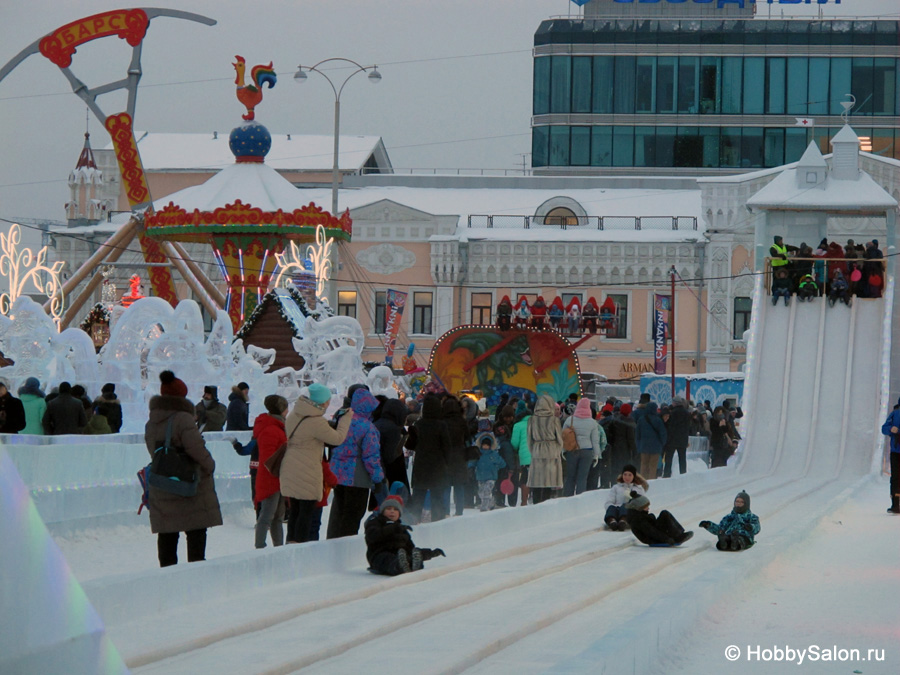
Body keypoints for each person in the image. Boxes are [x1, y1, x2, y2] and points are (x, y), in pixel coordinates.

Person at [145, 370, 222, 567]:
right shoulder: (183, 418)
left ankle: (168, 575)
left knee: (167, 533)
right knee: (195, 530)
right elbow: (196, 448)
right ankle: (195, 577)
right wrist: (210, 465)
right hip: (187, 485)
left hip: (162, 483)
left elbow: (154, 450)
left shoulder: (152, 421)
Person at [280, 384, 353, 543]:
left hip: (290, 466)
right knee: (306, 513)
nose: (328, 403)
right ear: (322, 402)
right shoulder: (316, 421)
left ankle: (290, 545)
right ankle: (301, 548)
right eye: (327, 400)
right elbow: (337, 438)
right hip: (307, 469)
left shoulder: (294, 414)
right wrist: (346, 419)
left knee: (295, 511)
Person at [326, 388, 384, 539]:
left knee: (340, 512)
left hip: (337, 475)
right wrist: (378, 478)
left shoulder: (342, 421)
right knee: (353, 515)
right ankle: (346, 548)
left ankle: (334, 543)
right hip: (357, 477)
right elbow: (371, 456)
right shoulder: (368, 427)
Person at [364, 495, 445, 576]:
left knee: (410, 556)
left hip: (399, 554)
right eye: (388, 509)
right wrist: (393, 528)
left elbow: (411, 548)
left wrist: (430, 553)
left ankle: (413, 564)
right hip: (379, 555)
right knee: (388, 560)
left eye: (395, 510)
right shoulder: (375, 522)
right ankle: (399, 566)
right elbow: (373, 536)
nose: (392, 511)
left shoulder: (401, 528)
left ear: (399, 514)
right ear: (382, 511)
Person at [251, 395, 289, 549]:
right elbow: (269, 459)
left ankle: (278, 547)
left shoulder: (277, 426)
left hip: (277, 477)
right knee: (267, 517)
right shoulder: (272, 429)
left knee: (277, 517)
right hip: (271, 478)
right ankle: (260, 547)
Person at [406, 395, 451, 523]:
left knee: (418, 496)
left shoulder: (418, 424)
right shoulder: (441, 425)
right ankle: (438, 523)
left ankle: (414, 522)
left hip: (421, 465)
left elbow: (409, 445)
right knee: (437, 497)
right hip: (437, 466)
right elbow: (447, 447)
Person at [526, 394, 564, 504]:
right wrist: (557, 450)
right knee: (549, 481)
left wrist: (533, 450)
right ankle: (545, 505)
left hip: (537, 450)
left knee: (537, 481)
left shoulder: (531, 420)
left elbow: (529, 439)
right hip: (551, 450)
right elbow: (559, 439)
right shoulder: (554, 420)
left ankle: (536, 503)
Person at [562, 397, 603, 496]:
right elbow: (595, 440)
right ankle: (580, 498)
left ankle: (568, 498)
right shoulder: (593, 422)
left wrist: (563, 450)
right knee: (582, 478)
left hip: (572, 450)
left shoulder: (569, 419)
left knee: (570, 477)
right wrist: (596, 455)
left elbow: (563, 437)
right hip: (587, 452)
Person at [625, 492, 692, 546]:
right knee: (664, 514)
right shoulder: (638, 520)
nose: (648, 508)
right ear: (639, 508)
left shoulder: (639, 515)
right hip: (652, 539)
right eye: (646, 507)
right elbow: (651, 531)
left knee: (665, 514)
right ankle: (677, 537)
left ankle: (679, 534)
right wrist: (666, 539)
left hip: (654, 536)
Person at [374, 398, 411, 495]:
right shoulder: (393, 429)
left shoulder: (375, 424)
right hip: (390, 474)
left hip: (375, 469)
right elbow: (390, 457)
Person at [441, 396, 469, 516]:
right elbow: (468, 437)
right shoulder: (461, 421)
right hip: (459, 455)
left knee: (446, 485)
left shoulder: (442, 421)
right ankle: (459, 511)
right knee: (459, 485)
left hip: (445, 456)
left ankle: (446, 511)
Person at [604, 464, 648, 530]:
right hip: (617, 509)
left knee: (626, 505)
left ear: (634, 476)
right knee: (611, 507)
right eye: (625, 474)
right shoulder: (616, 487)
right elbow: (609, 501)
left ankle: (623, 521)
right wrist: (611, 506)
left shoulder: (638, 489)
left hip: (631, 511)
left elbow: (643, 503)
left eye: (630, 475)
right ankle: (612, 521)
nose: (627, 477)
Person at [474, 432, 506, 511]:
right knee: (481, 492)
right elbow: (473, 462)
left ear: (490, 445)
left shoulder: (494, 454)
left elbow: (502, 463)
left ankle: (484, 507)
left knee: (486, 491)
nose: (485, 446)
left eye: (487, 445)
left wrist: (496, 468)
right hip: (480, 476)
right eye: (484, 445)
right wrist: (471, 468)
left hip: (491, 477)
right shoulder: (478, 454)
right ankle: (491, 502)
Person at [635, 401, 666, 480]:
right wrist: (662, 444)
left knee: (644, 465)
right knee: (653, 466)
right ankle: (651, 481)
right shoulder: (658, 420)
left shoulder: (641, 419)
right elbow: (663, 434)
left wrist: (638, 445)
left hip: (643, 446)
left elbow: (637, 434)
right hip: (655, 447)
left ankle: (642, 481)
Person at [510, 400, 532, 506]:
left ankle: (524, 501)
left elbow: (514, 443)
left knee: (525, 478)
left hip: (525, 456)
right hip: (538, 454)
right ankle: (537, 499)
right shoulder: (536, 423)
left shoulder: (518, 425)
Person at [663, 397, 691, 478]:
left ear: (675, 403)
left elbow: (670, 426)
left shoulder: (672, 413)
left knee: (669, 459)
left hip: (672, 439)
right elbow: (688, 426)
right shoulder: (686, 413)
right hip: (683, 439)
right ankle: (683, 474)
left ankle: (667, 474)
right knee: (682, 458)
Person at [881, 397, 900, 514]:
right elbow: (884, 428)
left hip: (895, 450)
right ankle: (895, 504)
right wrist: (891, 429)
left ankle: (895, 504)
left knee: (896, 478)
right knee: (896, 478)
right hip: (896, 451)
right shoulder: (895, 414)